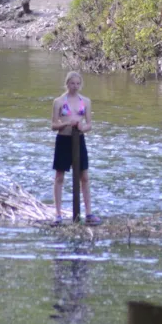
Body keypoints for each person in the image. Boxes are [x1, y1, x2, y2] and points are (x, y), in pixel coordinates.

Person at [51, 70, 100, 225]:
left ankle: (89, 213)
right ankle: (58, 214)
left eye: (78, 83)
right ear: (67, 84)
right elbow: (53, 125)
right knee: (59, 177)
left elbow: (90, 125)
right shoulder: (58, 102)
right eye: (72, 83)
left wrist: (81, 127)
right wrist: (66, 123)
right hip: (63, 140)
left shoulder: (85, 101)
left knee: (84, 177)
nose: (75, 86)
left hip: (79, 140)